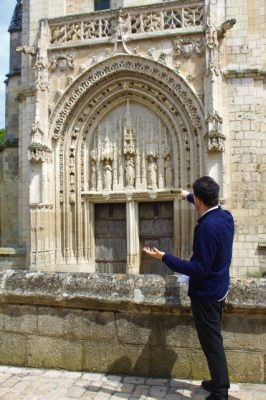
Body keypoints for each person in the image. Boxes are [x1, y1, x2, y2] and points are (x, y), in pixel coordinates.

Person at [143, 176, 234, 400]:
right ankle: (218, 381)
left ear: (201, 202)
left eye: (195, 197)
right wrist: (188, 196)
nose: (195, 202)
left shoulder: (206, 229)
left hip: (207, 294)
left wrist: (165, 257)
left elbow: (199, 268)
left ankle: (220, 391)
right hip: (220, 287)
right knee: (212, 340)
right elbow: (205, 204)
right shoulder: (225, 216)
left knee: (211, 342)